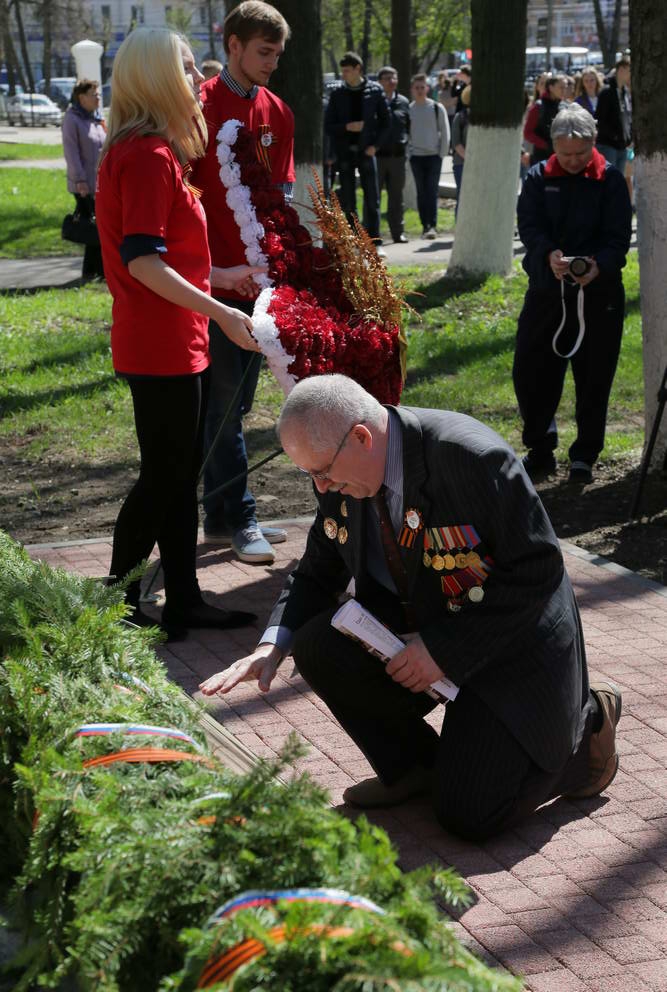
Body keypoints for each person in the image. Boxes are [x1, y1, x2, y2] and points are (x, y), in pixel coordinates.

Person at [200, 374, 622, 842]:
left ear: (360, 437)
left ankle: (585, 736)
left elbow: (538, 570)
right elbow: (317, 571)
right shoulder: (348, 479)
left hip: (507, 646)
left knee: (470, 818)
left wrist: (443, 650)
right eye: (311, 476)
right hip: (421, 628)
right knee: (317, 645)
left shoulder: (471, 458)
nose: (321, 488)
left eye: (322, 472)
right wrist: (270, 647)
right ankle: (414, 770)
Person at [96, 27, 265, 638]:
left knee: (177, 473)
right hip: (160, 342)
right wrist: (221, 311)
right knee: (164, 475)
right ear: (156, 78)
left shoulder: (157, 151)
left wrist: (220, 277)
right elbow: (142, 260)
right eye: (189, 69)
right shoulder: (144, 154)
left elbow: (163, 255)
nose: (200, 81)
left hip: (178, 338)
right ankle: (114, 604)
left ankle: (184, 598)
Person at [190, 1, 294, 565]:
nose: (271, 64)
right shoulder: (198, 106)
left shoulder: (278, 110)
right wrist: (205, 271)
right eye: (262, 52)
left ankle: (218, 514)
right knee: (225, 407)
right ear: (232, 44)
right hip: (210, 285)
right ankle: (243, 518)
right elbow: (181, 198)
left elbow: (280, 196)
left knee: (235, 406)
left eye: (277, 54)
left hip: (259, 286)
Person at [513, 105, 631, 485]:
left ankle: (585, 455)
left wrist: (599, 265)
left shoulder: (610, 180)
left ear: (594, 144)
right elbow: (529, 227)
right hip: (547, 291)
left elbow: (618, 237)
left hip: (599, 296)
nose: (575, 161)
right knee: (531, 372)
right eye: (566, 154)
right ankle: (540, 447)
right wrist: (548, 254)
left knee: (595, 377)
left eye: (581, 154)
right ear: (554, 148)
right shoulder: (537, 177)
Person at [324, 51, 390, 253]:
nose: (343, 74)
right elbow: (329, 125)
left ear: (358, 69)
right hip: (345, 153)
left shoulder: (375, 91)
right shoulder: (337, 94)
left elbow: (386, 123)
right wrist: (346, 127)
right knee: (349, 200)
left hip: (367, 152)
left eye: (347, 70)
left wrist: (375, 146)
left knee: (372, 197)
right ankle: (355, 242)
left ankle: (375, 242)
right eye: (342, 70)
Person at [62, 78, 106, 280]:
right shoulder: (72, 119)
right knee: (93, 225)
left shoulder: (95, 118)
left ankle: (94, 270)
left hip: (99, 183)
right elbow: (72, 152)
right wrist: (80, 180)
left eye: (98, 94)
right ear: (81, 98)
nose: (98, 98)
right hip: (83, 184)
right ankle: (92, 271)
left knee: (98, 225)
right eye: (93, 94)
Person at [408, 72, 449, 240]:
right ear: (412, 89)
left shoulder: (436, 108)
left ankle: (432, 225)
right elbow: (405, 134)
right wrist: (409, 153)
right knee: (421, 192)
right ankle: (424, 225)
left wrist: (442, 154)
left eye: (422, 87)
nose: (419, 90)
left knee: (431, 191)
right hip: (416, 157)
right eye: (416, 88)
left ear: (427, 88)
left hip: (434, 157)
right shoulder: (409, 110)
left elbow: (445, 132)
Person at [373, 66, 410, 244]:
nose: (391, 81)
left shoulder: (403, 101)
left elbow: (408, 127)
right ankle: (373, 235)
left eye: (394, 77)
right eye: (387, 78)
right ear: (380, 81)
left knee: (397, 197)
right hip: (378, 157)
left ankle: (398, 232)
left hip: (397, 157)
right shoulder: (373, 101)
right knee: (374, 197)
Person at [595, 56, 632, 174]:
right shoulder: (606, 92)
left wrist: (628, 137)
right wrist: (615, 136)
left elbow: (627, 117)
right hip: (608, 145)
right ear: (621, 69)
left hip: (622, 146)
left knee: (618, 181)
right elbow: (600, 120)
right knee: (609, 179)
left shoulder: (625, 93)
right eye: (630, 70)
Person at [523, 74, 566, 165]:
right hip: (541, 159)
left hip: (561, 157)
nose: (564, 90)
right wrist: (546, 145)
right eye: (561, 87)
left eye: (565, 87)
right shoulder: (538, 107)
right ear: (551, 87)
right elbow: (527, 133)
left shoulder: (564, 105)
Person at [451, 83, 470, 220]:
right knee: (462, 195)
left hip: (480, 165)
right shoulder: (460, 117)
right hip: (461, 164)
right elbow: (456, 143)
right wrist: (470, 160)